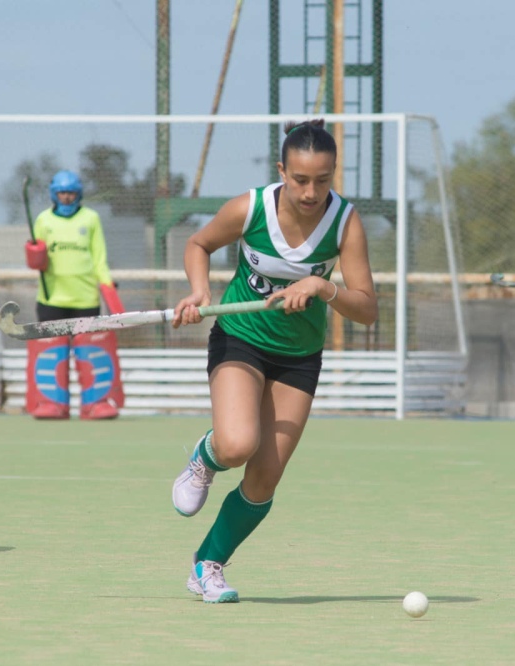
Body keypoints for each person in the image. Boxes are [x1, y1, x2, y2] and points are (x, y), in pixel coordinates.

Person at [169, 119, 378, 603]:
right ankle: (207, 456)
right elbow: (197, 244)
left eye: (322, 181)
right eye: (300, 179)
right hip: (240, 339)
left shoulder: (344, 223)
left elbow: (366, 307)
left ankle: (207, 565)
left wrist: (325, 287)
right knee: (239, 444)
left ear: (333, 174)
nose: (310, 192)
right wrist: (200, 290)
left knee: (264, 477)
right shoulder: (252, 207)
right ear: (282, 170)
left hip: (299, 357)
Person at [23, 170, 123, 420]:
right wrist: (34, 255)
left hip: (86, 298)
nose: (66, 198)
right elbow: (39, 261)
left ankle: (96, 403)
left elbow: (99, 257)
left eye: (71, 193)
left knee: (90, 351)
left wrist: (107, 287)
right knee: (49, 351)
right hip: (51, 298)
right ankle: (51, 402)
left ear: (78, 194)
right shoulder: (43, 220)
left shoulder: (91, 219)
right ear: (54, 194)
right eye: (62, 193)